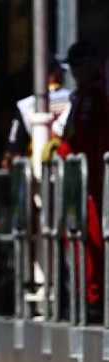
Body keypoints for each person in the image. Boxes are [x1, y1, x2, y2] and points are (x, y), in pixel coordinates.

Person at [50, 42, 109, 321]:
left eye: (76, 65)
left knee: (95, 239)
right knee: (81, 238)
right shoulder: (84, 94)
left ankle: (94, 298)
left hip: (94, 179)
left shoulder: (96, 92)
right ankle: (87, 296)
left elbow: (87, 137)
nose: (73, 71)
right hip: (83, 179)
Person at [3, 56, 71, 172]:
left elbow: (14, 149)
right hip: (69, 168)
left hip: (37, 171)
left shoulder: (24, 105)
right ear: (56, 73)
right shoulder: (73, 98)